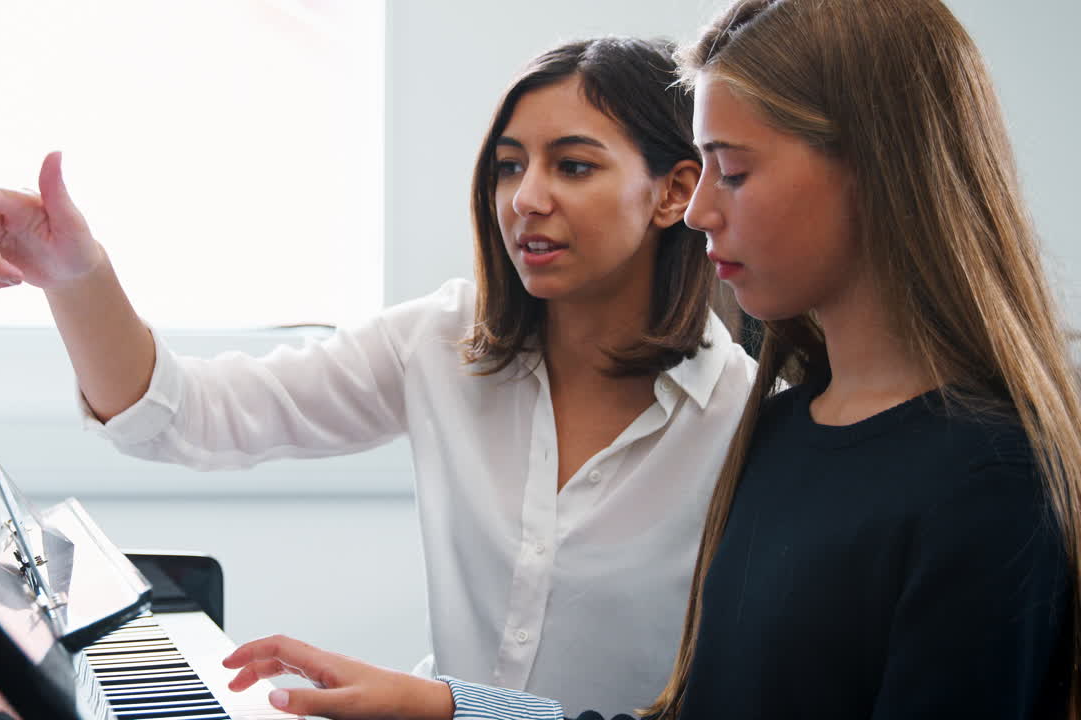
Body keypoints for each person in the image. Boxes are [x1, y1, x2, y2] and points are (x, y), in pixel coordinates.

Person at [218, 0, 1081, 718]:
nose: (698, 210)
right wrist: (440, 704)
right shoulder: (778, 429)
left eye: (731, 173)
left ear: (876, 172)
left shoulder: (991, 475)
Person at [0, 37, 756, 717]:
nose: (526, 199)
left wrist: (435, 705)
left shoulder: (749, 422)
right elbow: (180, 417)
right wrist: (74, 274)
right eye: (510, 167)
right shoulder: (443, 341)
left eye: (573, 167)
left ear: (675, 193)